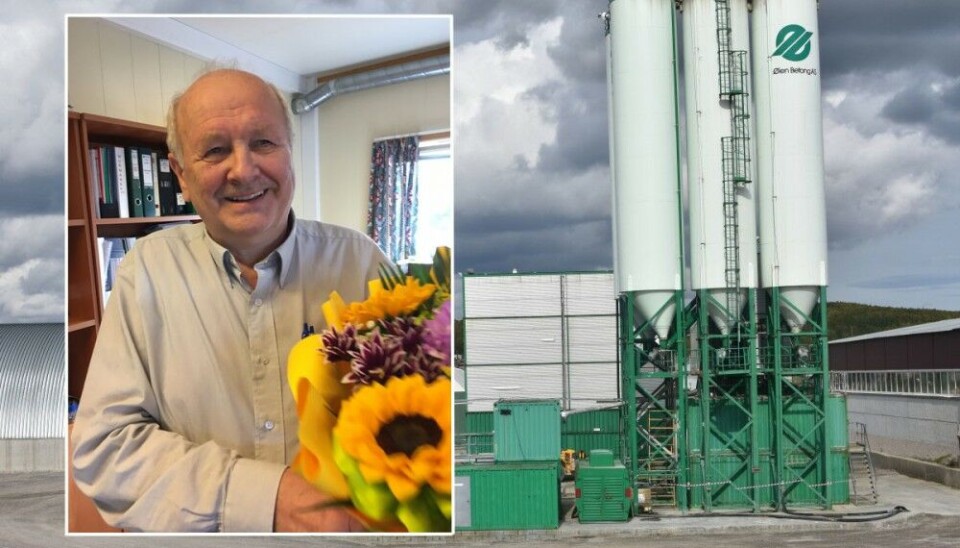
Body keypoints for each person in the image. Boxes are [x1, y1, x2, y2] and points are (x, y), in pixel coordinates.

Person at [71, 68, 389, 532]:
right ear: (180, 173)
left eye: (263, 143)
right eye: (216, 150)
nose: (243, 170)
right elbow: (104, 446)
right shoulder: (146, 272)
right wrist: (267, 497)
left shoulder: (361, 264)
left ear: (290, 154)